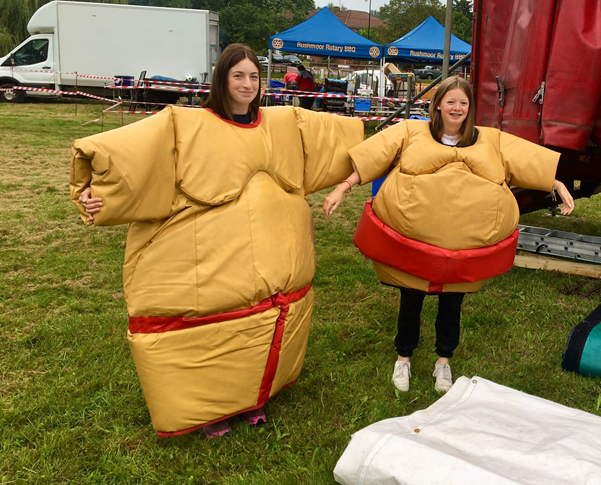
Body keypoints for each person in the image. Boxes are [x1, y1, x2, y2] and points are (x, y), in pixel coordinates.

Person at [72, 44, 364, 438]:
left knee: (257, 317)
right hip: (211, 256)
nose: (247, 84)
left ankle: (254, 398)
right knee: (210, 321)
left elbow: (340, 140)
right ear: (222, 80)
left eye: (254, 77)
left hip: (270, 252)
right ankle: (210, 410)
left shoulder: (282, 124)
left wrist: (386, 150)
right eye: (238, 76)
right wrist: (94, 191)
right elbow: (128, 159)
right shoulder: (186, 125)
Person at [322, 76, 574, 394]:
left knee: (451, 304)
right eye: (451, 101)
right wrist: (343, 187)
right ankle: (404, 358)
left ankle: (443, 361)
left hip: (463, 249)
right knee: (410, 300)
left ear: (470, 109)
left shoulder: (490, 140)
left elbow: (527, 160)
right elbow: (377, 156)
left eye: (463, 103)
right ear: (438, 103)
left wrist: (559, 184)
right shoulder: (412, 132)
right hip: (414, 243)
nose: (457, 107)